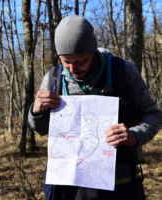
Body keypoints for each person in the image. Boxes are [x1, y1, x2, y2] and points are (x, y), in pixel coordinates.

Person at [28, 15, 162, 200]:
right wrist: (36, 111)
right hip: (68, 187)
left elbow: (153, 115)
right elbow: (41, 128)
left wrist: (134, 135)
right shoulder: (53, 79)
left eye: (81, 61)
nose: (73, 69)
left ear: (93, 52)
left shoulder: (123, 72)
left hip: (119, 185)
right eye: (66, 61)